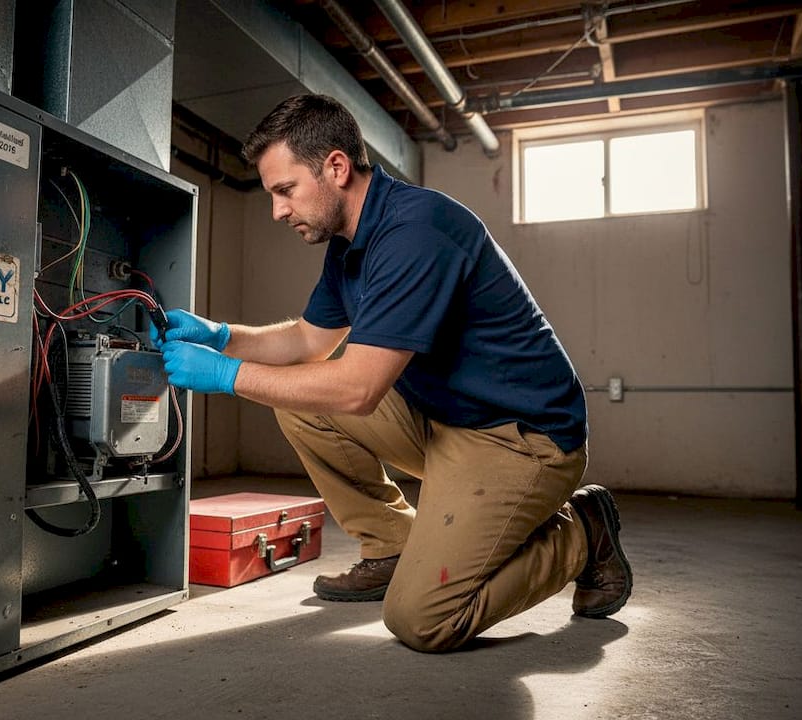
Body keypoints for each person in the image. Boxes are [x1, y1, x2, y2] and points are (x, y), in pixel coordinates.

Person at [156, 93, 632, 653]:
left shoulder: (416, 231)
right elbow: (307, 341)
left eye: (285, 190)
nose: (278, 211)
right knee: (298, 402)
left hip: (522, 439)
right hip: (446, 418)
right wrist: (220, 334)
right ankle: (391, 546)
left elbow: (358, 389)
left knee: (423, 619)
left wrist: (226, 375)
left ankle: (582, 532)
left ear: (336, 167)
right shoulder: (349, 244)